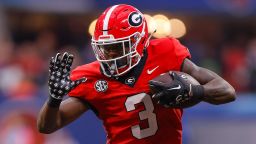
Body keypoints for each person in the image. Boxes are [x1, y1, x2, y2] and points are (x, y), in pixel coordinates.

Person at [37, 4, 236, 144]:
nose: (110, 54)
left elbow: (227, 91)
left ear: (139, 40)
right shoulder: (92, 76)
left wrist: (196, 91)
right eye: (105, 48)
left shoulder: (165, 52)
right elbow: (48, 126)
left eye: (117, 47)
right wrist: (53, 100)